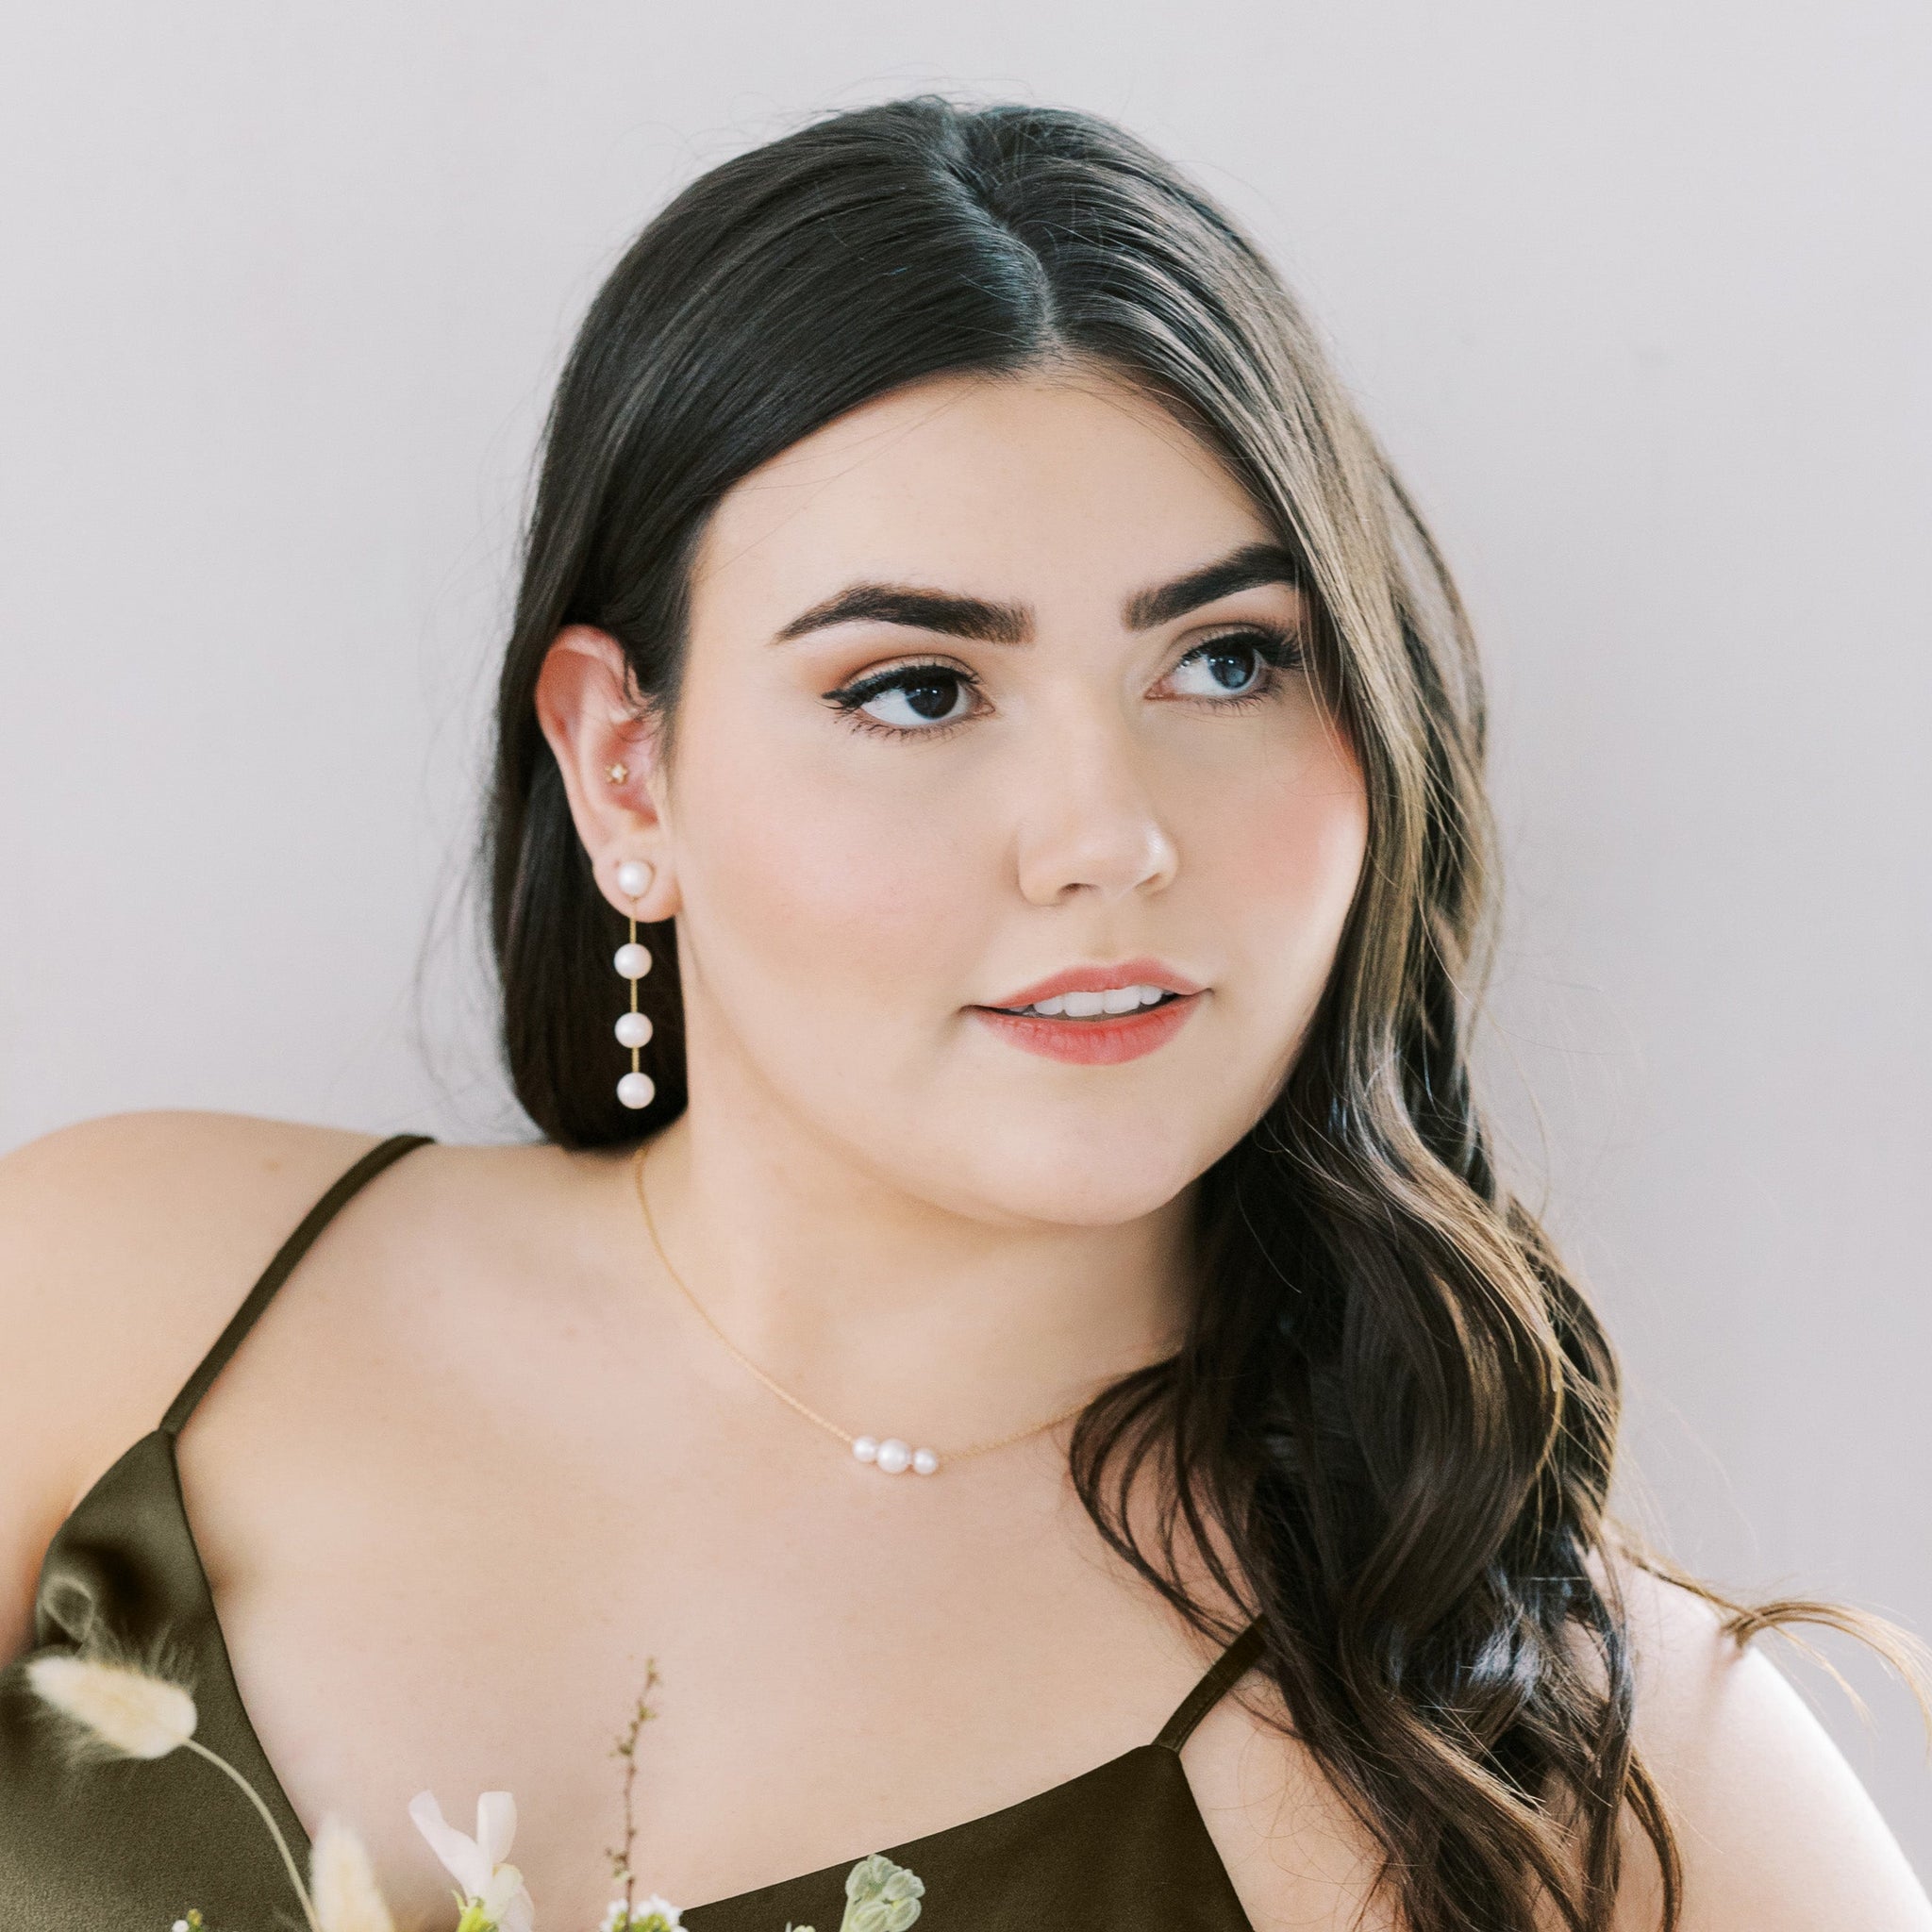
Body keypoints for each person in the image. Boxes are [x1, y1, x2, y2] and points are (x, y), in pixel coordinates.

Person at [1, 96, 1925, 1932]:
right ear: (626, 768)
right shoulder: (114, 1296)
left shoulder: (1562, 1766)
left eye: (1229, 660)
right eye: (917, 687)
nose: (1107, 836)